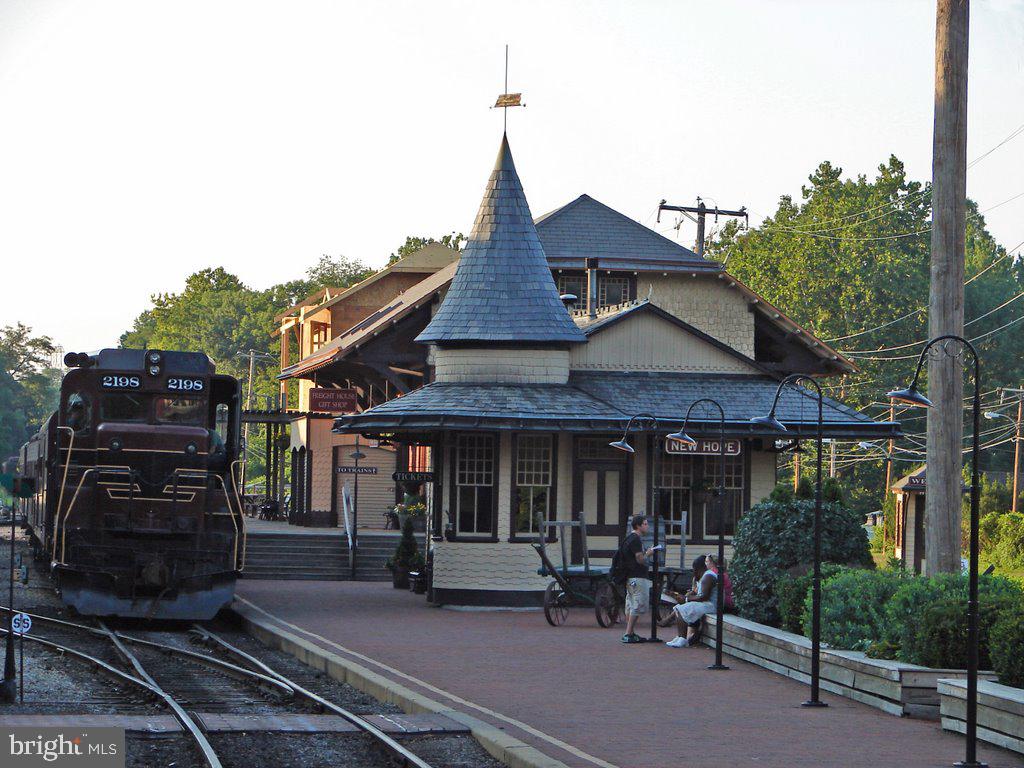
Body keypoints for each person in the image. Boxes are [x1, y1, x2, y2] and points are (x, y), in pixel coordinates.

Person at [664, 555, 718, 647]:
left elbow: (703, 597)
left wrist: (686, 599)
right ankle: (680, 637)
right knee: (678, 609)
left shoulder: (708, 576)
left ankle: (682, 639)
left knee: (681, 609)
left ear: (699, 568)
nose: (694, 572)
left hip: (711, 605)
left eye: (694, 569)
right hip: (707, 604)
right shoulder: (705, 576)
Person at [620, 514, 657, 644]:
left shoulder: (628, 539)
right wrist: (649, 553)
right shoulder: (635, 539)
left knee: (630, 603)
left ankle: (630, 632)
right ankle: (628, 633)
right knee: (638, 603)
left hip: (630, 576)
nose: (647, 526)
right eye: (645, 524)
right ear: (638, 525)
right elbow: (640, 559)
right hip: (638, 575)